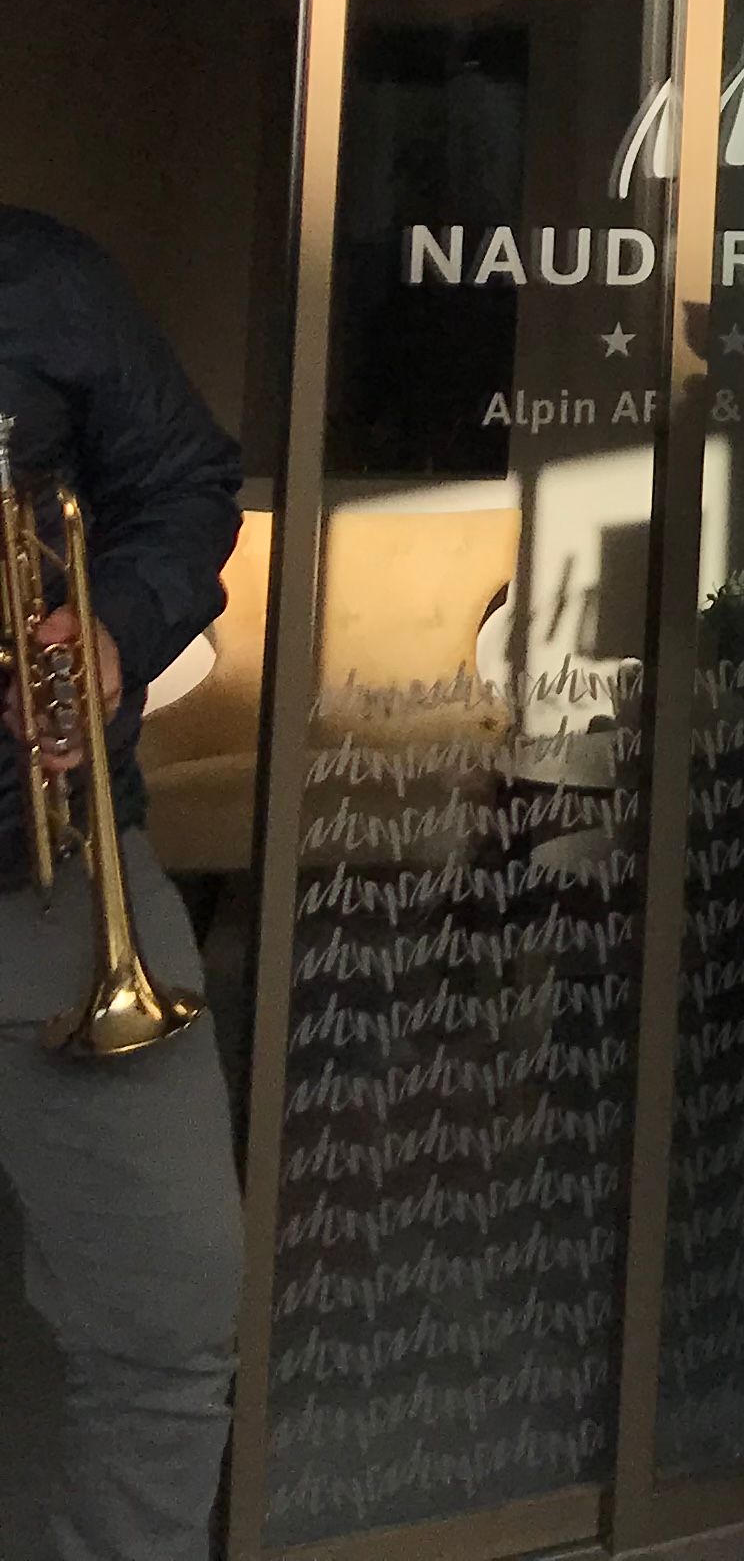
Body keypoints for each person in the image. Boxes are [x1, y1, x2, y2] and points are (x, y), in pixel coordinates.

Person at [0, 207, 247, 1561]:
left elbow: (188, 486)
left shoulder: (43, 280)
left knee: (169, 1318)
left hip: (56, 877)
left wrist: (108, 628)